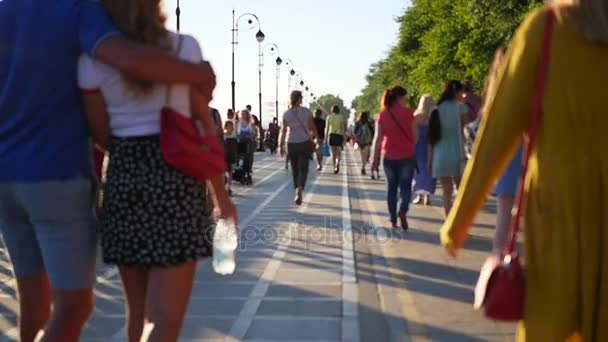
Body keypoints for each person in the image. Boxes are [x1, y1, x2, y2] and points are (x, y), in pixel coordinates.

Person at [0, 1, 216, 341]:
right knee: (73, 307)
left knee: (34, 309)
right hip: (54, 172)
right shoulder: (75, 7)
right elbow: (127, 57)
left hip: (6, 177)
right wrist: (198, 73)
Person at [442, 2, 608, 341]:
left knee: (552, 325)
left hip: (560, 214)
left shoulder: (546, 30)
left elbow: (496, 135)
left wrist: (458, 224)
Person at [78, 2, 237, 341]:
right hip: (177, 178)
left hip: (123, 177)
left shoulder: (92, 60)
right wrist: (220, 197)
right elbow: (201, 126)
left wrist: (130, 153)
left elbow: (99, 132)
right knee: (166, 321)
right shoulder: (185, 48)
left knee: (137, 313)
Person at [371, 86, 417, 229]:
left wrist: (374, 158)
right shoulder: (410, 113)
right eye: (405, 98)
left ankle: (392, 220)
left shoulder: (383, 115)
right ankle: (402, 210)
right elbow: (416, 137)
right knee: (406, 188)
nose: (406, 101)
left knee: (391, 188)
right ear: (399, 98)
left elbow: (377, 138)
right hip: (407, 156)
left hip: (389, 156)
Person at [427, 80, 474, 216]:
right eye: (461, 92)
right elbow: (468, 132)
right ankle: (458, 222)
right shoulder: (461, 108)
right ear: (457, 92)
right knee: (460, 192)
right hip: (458, 153)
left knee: (446, 194)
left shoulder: (435, 110)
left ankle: (448, 222)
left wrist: (429, 160)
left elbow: (431, 138)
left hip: (439, 155)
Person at [280, 91, 319, 205]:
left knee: (295, 168)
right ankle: (300, 189)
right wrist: (316, 139)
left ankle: (296, 188)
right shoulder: (306, 112)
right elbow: (312, 127)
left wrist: (281, 144)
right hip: (304, 143)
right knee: (303, 168)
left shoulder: (286, 114)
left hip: (291, 143)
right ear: (299, 99)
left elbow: (283, 131)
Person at [412, 95, 437, 205]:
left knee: (418, 171)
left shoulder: (416, 115)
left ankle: (419, 196)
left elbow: (412, 133)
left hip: (418, 145)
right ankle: (428, 197)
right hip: (431, 145)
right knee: (430, 171)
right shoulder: (434, 116)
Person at [325, 105, 347, 174]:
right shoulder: (341, 117)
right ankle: (337, 163)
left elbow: (327, 128)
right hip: (339, 135)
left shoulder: (329, 117)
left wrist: (325, 138)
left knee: (333, 153)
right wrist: (344, 138)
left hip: (331, 135)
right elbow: (343, 129)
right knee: (339, 152)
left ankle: (334, 167)